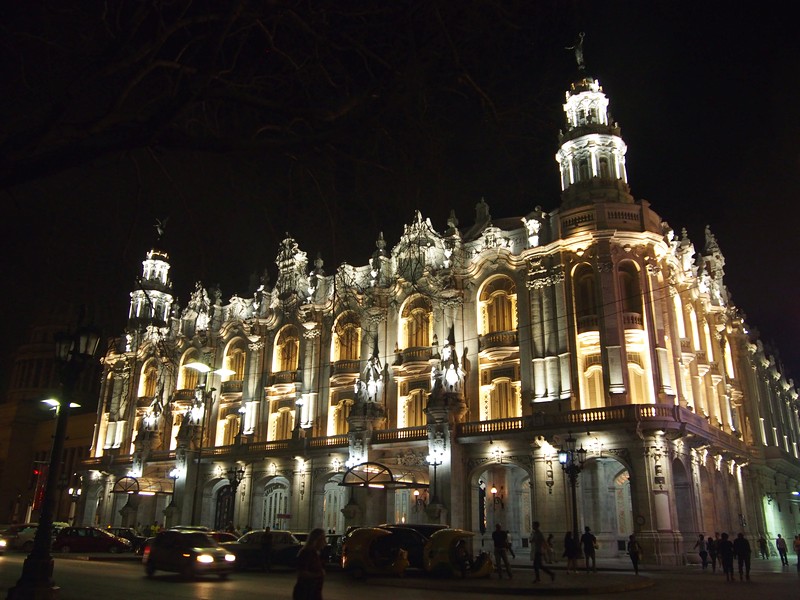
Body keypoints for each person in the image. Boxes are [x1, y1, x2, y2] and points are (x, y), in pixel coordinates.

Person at [293, 528, 326, 600]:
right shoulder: (307, 553)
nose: (325, 542)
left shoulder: (315, 553)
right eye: (323, 539)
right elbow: (301, 573)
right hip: (306, 593)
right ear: (316, 540)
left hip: (313, 592)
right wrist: (318, 574)